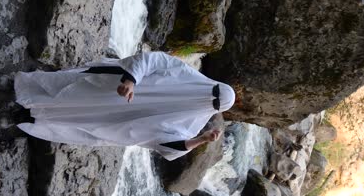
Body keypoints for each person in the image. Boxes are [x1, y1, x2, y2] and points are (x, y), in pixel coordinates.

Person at [14, 51, 235, 160]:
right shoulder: (185, 72)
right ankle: (20, 87)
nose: (209, 98)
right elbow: (152, 59)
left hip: (119, 121)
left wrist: (201, 139)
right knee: (70, 89)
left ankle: (25, 117)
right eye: (214, 92)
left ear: (214, 109)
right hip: (113, 89)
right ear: (214, 84)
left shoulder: (193, 122)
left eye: (214, 102)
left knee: (75, 121)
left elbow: (169, 146)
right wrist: (131, 80)